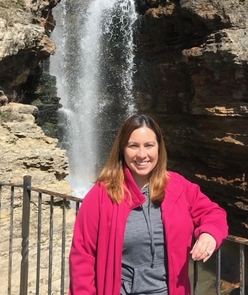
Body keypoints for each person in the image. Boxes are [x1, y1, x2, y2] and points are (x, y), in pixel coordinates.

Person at [69, 114, 228, 295]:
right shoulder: (102, 195)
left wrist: (209, 234)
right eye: (133, 146)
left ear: (159, 148)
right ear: (122, 149)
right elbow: (82, 257)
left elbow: (214, 213)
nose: (142, 154)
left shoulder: (178, 186)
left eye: (149, 145)